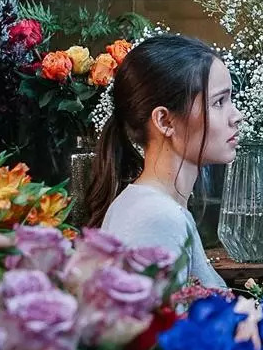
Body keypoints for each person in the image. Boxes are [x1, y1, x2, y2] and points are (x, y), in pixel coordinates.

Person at [85, 33, 241, 288]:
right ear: (165, 121)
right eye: (219, 102)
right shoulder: (156, 218)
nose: (236, 116)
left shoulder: (156, 208)